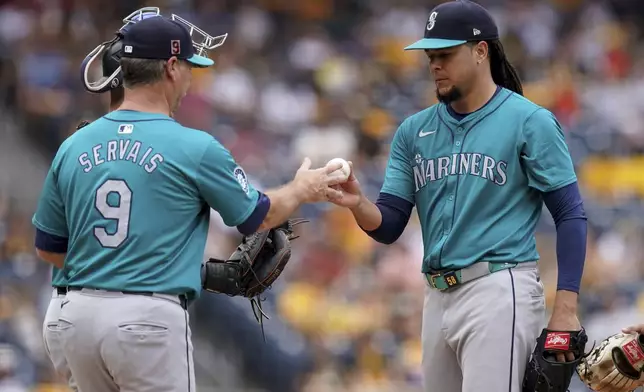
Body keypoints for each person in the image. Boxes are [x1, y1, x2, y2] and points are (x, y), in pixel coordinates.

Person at [31, 15, 344, 392]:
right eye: (190, 68)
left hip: (71, 319)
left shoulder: (73, 145)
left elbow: (48, 249)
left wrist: (111, 275)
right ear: (171, 67)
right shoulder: (193, 147)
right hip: (144, 319)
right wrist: (301, 188)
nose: (191, 78)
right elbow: (259, 216)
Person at [326, 1, 587, 391]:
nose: (435, 65)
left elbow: (570, 214)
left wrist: (566, 307)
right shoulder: (414, 131)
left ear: (480, 51)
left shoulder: (529, 121)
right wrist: (359, 204)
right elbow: (390, 224)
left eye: (445, 54)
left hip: (498, 288)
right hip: (437, 296)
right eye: (431, 56)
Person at [40, 7, 159, 391]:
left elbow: (49, 245)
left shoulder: (76, 145)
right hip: (122, 311)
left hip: (65, 309)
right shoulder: (167, 148)